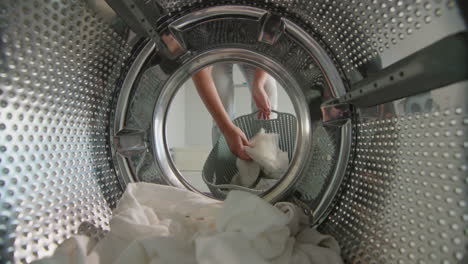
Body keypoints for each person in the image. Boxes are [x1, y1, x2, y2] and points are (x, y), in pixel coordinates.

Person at [192, 63, 278, 161]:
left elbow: (266, 54)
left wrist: (258, 84)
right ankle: (224, 161)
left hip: (252, 51)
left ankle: (265, 160)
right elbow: (200, 71)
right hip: (219, 52)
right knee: (222, 105)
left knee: (268, 91)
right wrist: (226, 129)